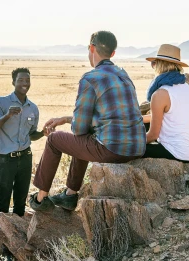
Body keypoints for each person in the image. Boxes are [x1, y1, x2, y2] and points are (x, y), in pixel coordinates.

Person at [29, 31, 147, 211]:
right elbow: (104, 119)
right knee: (87, 136)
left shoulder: (90, 78)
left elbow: (78, 130)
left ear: (92, 48)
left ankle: (40, 198)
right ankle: (69, 195)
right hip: (138, 147)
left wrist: (71, 122)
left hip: (113, 149)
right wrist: (66, 119)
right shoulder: (123, 74)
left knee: (54, 140)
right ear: (113, 53)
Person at [0, 68, 44, 221]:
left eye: (27, 80)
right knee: (2, 205)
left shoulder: (33, 108)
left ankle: (15, 242)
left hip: (25, 159)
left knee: (20, 205)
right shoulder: (1, 103)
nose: (25, 83)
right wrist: (7, 115)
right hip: (6, 160)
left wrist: (44, 133)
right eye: (21, 80)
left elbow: (32, 135)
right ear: (13, 82)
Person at [141, 44, 189, 162]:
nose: (153, 67)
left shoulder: (160, 94)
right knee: (140, 125)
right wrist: (139, 119)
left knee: (128, 150)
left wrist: (132, 144)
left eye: (154, 63)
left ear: (160, 65)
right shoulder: (184, 86)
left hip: (176, 152)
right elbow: (166, 116)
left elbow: (153, 135)